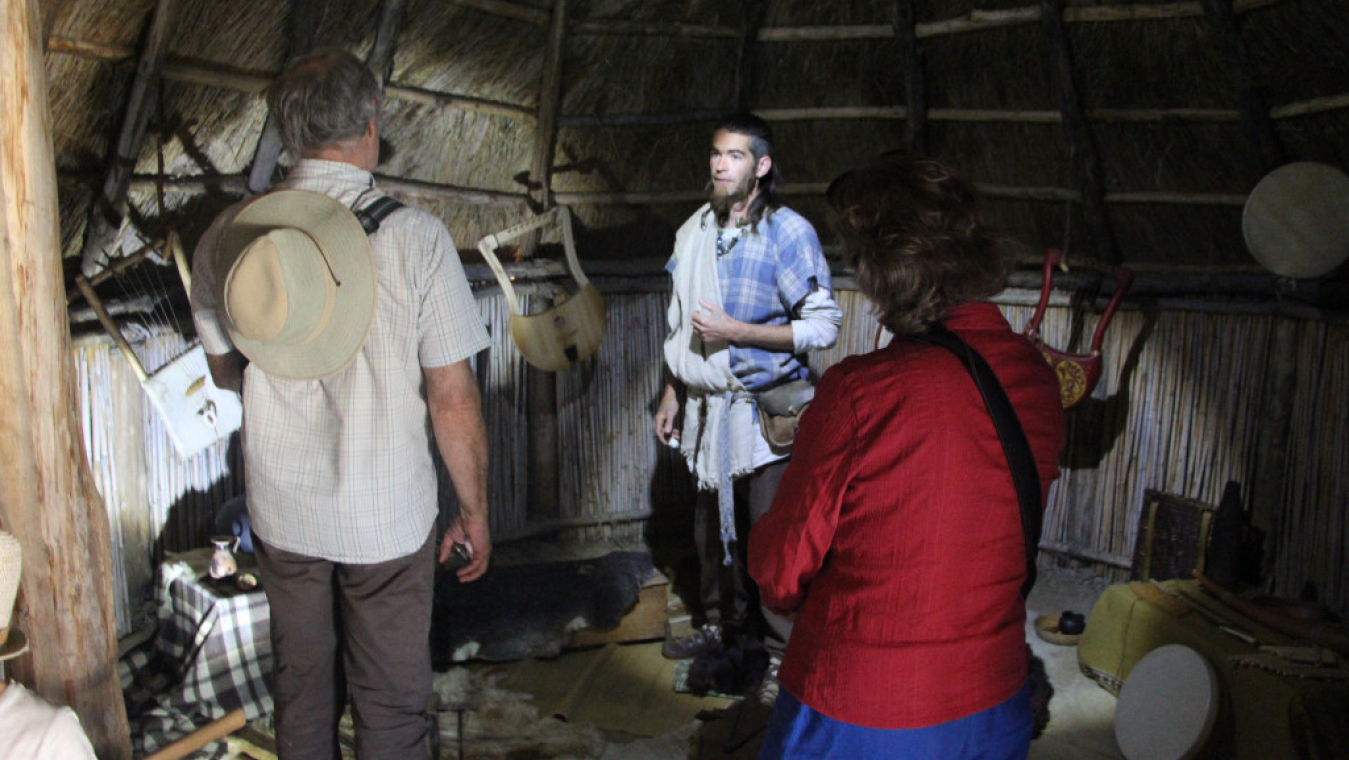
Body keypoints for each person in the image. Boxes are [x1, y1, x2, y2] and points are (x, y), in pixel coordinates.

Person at [190, 48, 491, 760]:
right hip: (386, 519)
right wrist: (473, 509)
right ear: (370, 121)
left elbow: (227, 371)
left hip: (284, 512)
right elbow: (452, 400)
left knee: (302, 692)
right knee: (389, 706)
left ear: (285, 132)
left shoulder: (226, 239)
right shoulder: (414, 239)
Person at [748, 153, 1066, 758]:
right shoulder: (1035, 377)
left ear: (881, 270)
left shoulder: (862, 393)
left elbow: (780, 572)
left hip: (864, 710)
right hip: (993, 706)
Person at [653, 112, 841, 687]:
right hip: (710, 410)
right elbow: (682, 323)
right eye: (716, 152)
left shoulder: (788, 233)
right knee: (710, 528)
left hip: (766, 412)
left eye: (734, 155)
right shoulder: (695, 232)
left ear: (760, 166)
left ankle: (784, 650)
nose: (719, 163)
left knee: (771, 534)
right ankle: (720, 628)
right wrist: (672, 392)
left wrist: (743, 332)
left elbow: (823, 327)